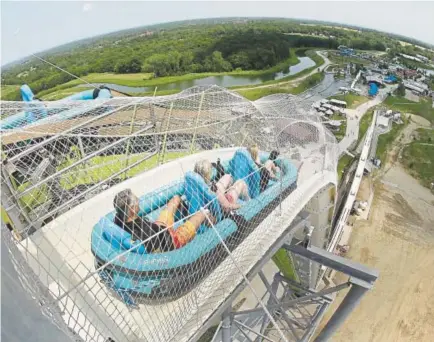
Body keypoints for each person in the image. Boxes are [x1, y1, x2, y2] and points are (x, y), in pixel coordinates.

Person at [113, 189, 214, 253]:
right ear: (132, 209)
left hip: (159, 228)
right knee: (203, 213)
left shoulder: (119, 219)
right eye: (136, 200)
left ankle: (186, 212)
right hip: (172, 240)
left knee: (176, 199)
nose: (139, 201)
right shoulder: (144, 231)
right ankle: (216, 223)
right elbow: (160, 250)